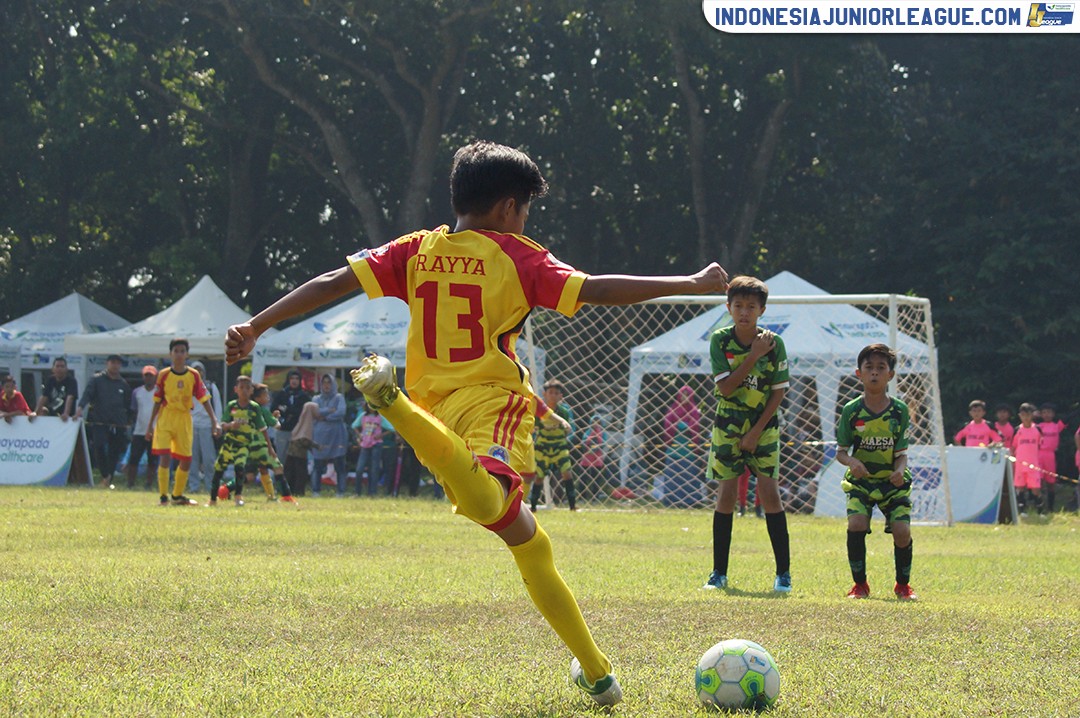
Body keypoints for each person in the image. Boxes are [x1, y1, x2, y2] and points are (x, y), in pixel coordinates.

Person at [225, 140, 730, 706]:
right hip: (492, 402)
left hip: (433, 415)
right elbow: (594, 290)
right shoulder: (517, 256)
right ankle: (390, 403)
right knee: (495, 503)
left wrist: (256, 325)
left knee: (528, 541)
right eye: (525, 212)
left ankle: (598, 674)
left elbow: (331, 282)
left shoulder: (417, 249)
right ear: (509, 208)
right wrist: (689, 283)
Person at [703, 275, 792, 594]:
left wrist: (755, 432)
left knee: (770, 493)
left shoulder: (775, 344)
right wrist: (752, 355)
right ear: (728, 307)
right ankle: (718, 573)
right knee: (726, 494)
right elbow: (725, 387)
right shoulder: (720, 340)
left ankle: (783, 574)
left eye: (751, 306)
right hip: (727, 425)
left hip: (764, 427)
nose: (744, 312)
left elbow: (778, 393)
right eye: (738, 305)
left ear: (762, 310)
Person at [836, 344, 918, 602]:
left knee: (902, 530)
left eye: (880, 368)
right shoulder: (851, 410)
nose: (874, 373)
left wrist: (899, 471)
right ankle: (860, 585)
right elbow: (840, 452)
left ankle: (903, 586)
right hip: (861, 483)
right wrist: (852, 462)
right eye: (869, 368)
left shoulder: (899, 411)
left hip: (892, 484)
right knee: (856, 524)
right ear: (859, 373)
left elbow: (901, 453)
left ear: (890, 375)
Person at [146, 339, 220, 506]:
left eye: (182, 351)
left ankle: (177, 495)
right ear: (170, 353)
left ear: (187, 354)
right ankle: (163, 497)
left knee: (186, 459)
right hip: (166, 418)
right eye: (176, 351)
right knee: (165, 457)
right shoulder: (163, 374)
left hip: (184, 419)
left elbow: (204, 398)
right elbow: (157, 400)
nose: (179, 354)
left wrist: (214, 420)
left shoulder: (193, 375)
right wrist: (150, 424)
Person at [76, 354, 131, 487]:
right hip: (99, 421)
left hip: (118, 422)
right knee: (99, 446)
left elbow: (128, 404)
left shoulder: (123, 384)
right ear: (107, 363)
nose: (115, 365)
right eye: (112, 362)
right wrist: (80, 408)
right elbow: (87, 395)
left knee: (114, 451)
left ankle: (108, 479)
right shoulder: (97, 379)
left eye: (118, 363)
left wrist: (128, 421)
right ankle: (105, 474)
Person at [208, 375, 262, 506]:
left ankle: (238, 496)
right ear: (235, 389)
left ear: (251, 391)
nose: (244, 390)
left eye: (247, 388)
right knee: (218, 469)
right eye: (241, 387)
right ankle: (212, 500)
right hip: (229, 443)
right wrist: (231, 425)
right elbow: (223, 424)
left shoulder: (254, 407)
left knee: (240, 468)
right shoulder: (231, 406)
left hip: (243, 445)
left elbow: (261, 427)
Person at [533, 380, 577, 511]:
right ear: (544, 394)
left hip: (560, 447)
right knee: (539, 476)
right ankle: (533, 507)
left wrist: (567, 430)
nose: (553, 395)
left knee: (567, 474)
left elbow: (568, 429)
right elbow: (533, 428)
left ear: (560, 396)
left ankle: (572, 506)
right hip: (542, 448)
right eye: (550, 392)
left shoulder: (563, 412)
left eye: (556, 393)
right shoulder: (538, 411)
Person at [250, 383, 298, 504]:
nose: (268, 398)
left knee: (255, 473)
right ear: (257, 398)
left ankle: (225, 490)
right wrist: (275, 417)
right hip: (262, 445)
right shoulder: (263, 410)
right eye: (265, 395)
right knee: (278, 467)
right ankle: (286, 496)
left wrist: (271, 417)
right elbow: (276, 425)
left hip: (250, 444)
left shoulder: (250, 409)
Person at [186, 360, 222, 494]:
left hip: (207, 425)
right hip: (191, 424)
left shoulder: (211, 386)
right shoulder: (187, 386)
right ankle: (193, 486)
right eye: (195, 370)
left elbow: (217, 405)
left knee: (209, 459)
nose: (198, 373)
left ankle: (210, 485)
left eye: (200, 370)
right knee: (192, 459)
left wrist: (216, 424)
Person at [311, 373, 348, 496]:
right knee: (317, 465)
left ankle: (341, 491)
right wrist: (329, 410)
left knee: (340, 465)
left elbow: (341, 412)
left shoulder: (339, 397)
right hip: (320, 436)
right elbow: (314, 412)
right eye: (324, 382)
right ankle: (316, 491)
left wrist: (324, 417)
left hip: (337, 435)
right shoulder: (316, 399)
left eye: (329, 382)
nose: (326, 385)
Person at [126, 365, 160, 490]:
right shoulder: (137, 392)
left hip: (155, 430)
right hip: (139, 430)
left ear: (155, 377)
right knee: (134, 458)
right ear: (143, 376)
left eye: (151, 375)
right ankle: (130, 482)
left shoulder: (159, 391)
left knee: (152, 460)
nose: (148, 378)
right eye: (146, 375)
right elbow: (133, 410)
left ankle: (149, 484)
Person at [271, 369, 312, 460]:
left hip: (298, 432)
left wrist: (289, 410)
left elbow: (305, 413)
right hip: (283, 430)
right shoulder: (282, 394)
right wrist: (285, 411)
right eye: (292, 378)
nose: (294, 381)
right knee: (281, 458)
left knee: (297, 459)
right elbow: (273, 408)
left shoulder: (304, 396)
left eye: (297, 378)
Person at [1011, 403, 1043, 516]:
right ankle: (1022, 511)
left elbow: (1040, 445)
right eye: (1023, 415)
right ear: (1020, 415)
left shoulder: (1037, 429)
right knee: (1020, 487)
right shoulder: (1017, 430)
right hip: (1020, 464)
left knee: (1035, 489)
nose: (1026, 417)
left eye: (1028, 415)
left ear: (1032, 415)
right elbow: (1013, 447)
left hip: (1033, 464)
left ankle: (1040, 511)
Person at [284, 401, 319, 497]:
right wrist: (317, 447)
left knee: (290, 473)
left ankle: (288, 491)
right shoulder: (308, 422)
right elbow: (304, 440)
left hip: (291, 454)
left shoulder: (301, 421)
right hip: (299, 455)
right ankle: (298, 492)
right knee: (300, 474)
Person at [1037, 402, 1066, 513]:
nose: (1047, 415)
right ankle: (1038, 506)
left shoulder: (1057, 426)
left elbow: (1067, 418)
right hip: (1039, 454)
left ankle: (1050, 507)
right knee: (1038, 481)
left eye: (1049, 412)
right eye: (1044, 412)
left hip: (1050, 455)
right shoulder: (1038, 426)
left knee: (1051, 482)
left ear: (1053, 414)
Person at [351, 402, 384, 495]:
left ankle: (372, 492)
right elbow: (354, 426)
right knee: (359, 469)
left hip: (376, 444)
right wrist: (359, 435)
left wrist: (380, 435)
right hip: (364, 444)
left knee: (374, 469)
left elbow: (391, 428)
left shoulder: (380, 417)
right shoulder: (363, 416)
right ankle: (357, 492)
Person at [35, 357, 78, 421]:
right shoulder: (50, 380)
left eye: (62, 366)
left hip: (67, 418)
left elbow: (70, 397)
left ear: (66, 369)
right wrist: (35, 412)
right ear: (53, 369)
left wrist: (66, 413)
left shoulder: (71, 381)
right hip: (52, 417)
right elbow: (44, 397)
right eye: (57, 366)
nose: (59, 369)